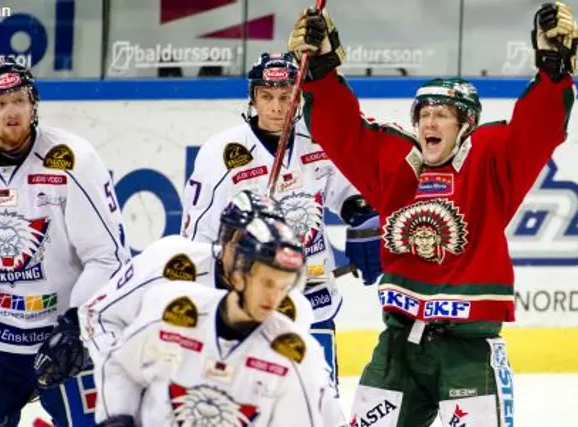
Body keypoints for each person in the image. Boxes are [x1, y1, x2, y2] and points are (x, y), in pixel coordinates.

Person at [287, 2, 577, 426]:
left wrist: (553, 70)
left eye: (442, 113)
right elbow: (344, 134)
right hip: (399, 347)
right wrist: (321, 71)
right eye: (423, 114)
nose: (429, 122)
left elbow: (537, 130)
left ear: (466, 125)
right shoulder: (395, 163)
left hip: (468, 352)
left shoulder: (490, 163)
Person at [0, 57, 131, 426]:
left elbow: (108, 257)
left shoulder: (72, 161)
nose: (12, 111)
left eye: (20, 100)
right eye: (0, 104)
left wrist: (75, 324)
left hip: (63, 334)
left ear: (33, 104)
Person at [181, 51, 382, 385]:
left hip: (314, 295)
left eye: (286, 97)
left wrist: (363, 220)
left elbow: (348, 193)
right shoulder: (222, 153)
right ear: (253, 98)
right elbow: (197, 239)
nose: (276, 107)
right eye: (267, 97)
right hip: (248, 302)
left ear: (299, 96)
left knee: (317, 402)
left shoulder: (317, 140)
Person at [79, 190, 343, 424]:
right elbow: (102, 324)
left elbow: (313, 389)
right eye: (241, 242)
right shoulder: (172, 272)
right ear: (224, 239)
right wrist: (128, 399)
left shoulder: (290, 309)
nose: (274, 295)